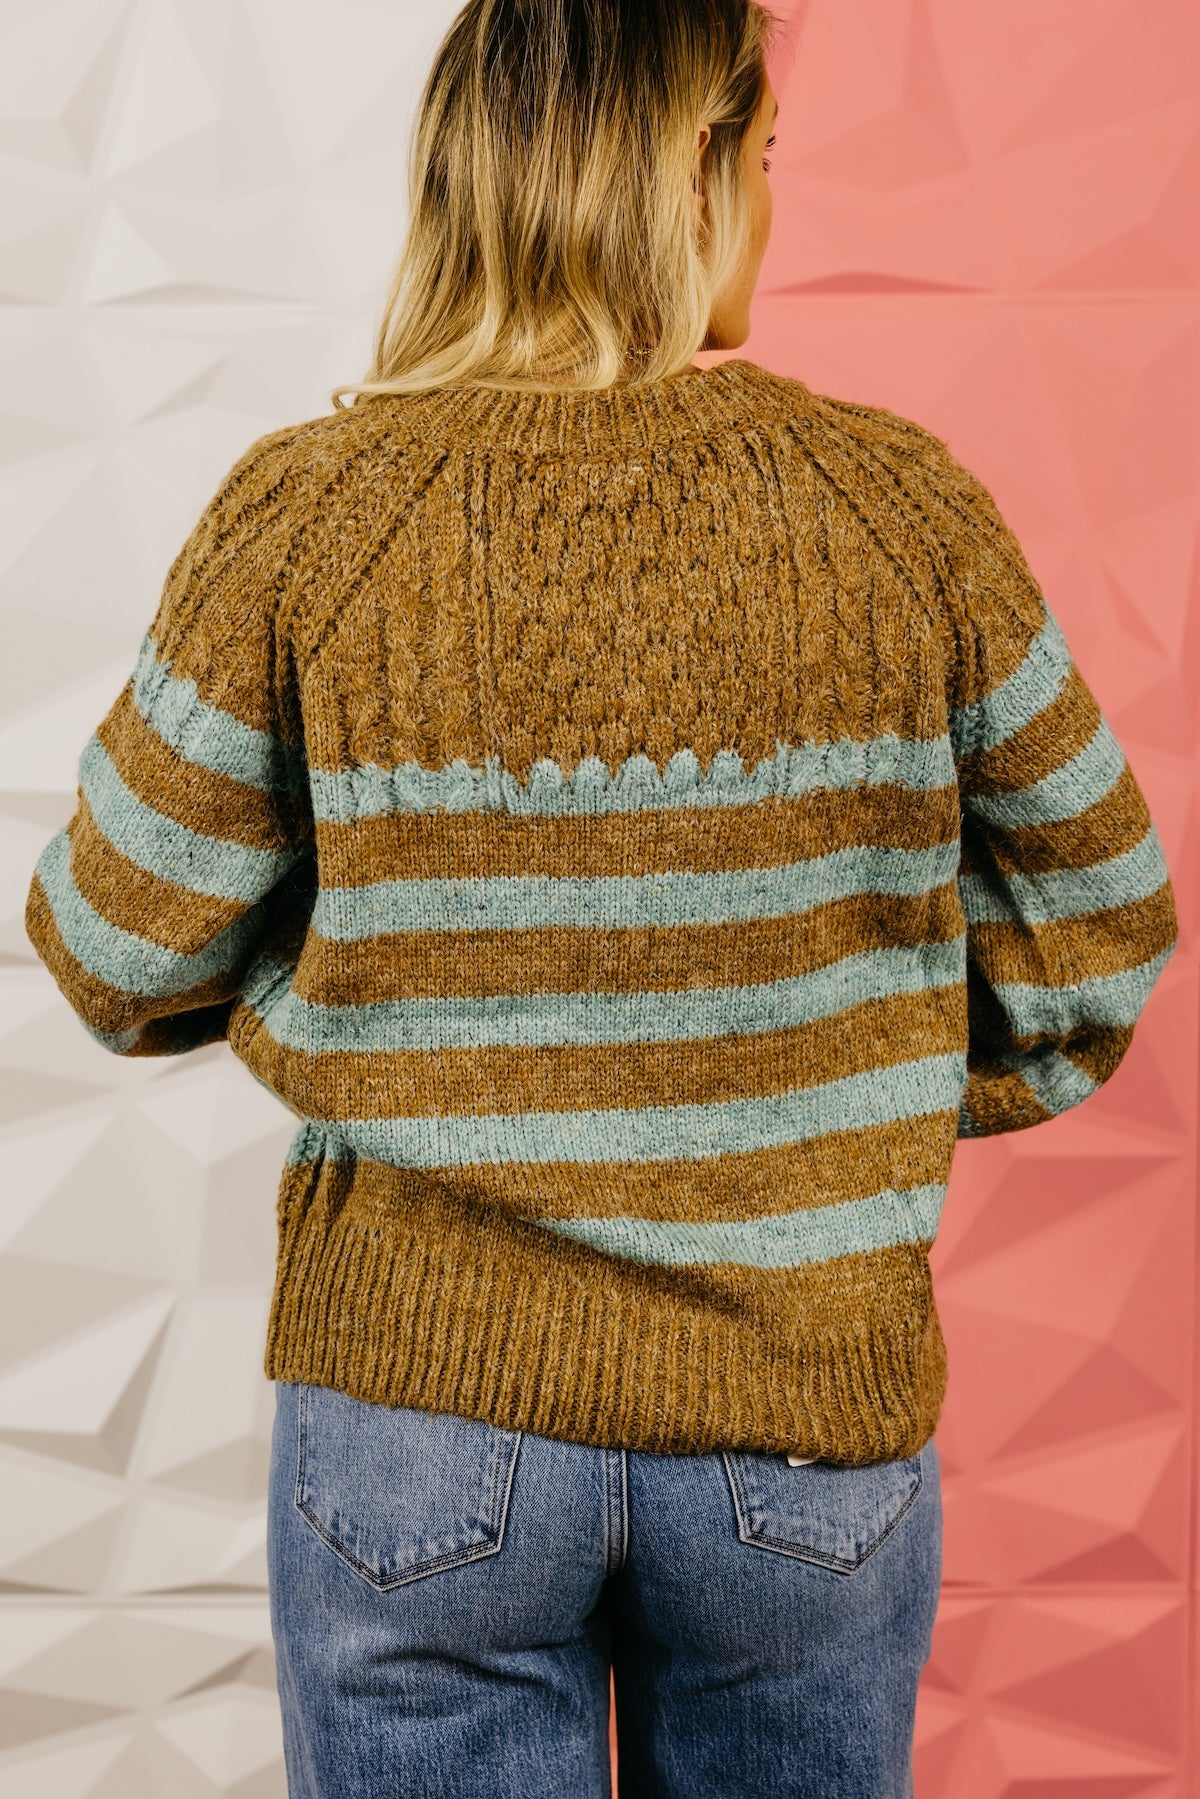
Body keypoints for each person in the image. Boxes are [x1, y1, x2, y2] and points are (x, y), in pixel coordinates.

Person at [23, 1, 1178, 1794]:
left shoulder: (308, 514)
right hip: (803, 1427)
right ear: (689, 174)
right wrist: (830, 1095)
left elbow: (113, 942)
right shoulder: (901, 509)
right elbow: (1100, 924)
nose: (774, 209)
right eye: (765, 161)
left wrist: (361, 1004)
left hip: (422, 1427)